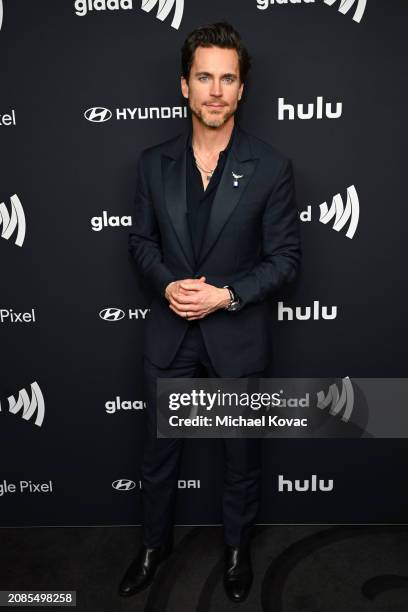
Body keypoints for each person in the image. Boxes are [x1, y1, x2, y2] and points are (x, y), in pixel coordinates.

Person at [119, 21, 301, 603]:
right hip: (170, 336)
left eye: (228, 78)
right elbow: (141, 245)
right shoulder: (152, 164)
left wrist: (226, 295)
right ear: (184, 86)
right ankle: (153, 546)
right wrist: (169, 284)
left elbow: (285, 260)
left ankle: (236, 549)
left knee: (241, 460)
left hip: (235, 334)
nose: (216, 90)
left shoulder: (271, 167)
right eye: (205, 77)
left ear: (242, 89)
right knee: (157, 456)